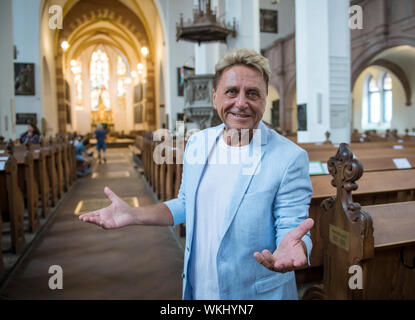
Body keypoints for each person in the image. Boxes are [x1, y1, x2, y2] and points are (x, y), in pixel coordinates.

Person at [79, 48, 314, 300]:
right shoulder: (198, 143)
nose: (241, 102)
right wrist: (135, 214)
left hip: (254, 292)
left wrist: (297, 246)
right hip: (201, 287)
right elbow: (185, 203)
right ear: (215, 98)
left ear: (265, 100)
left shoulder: (289, 157)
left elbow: (292, 226)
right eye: (231, 91)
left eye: (253, 93)